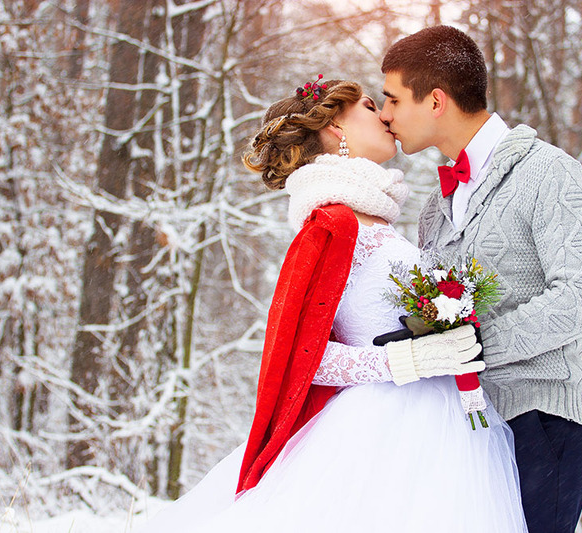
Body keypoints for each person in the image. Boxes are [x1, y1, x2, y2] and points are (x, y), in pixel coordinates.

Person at [133, 78, 528, 532]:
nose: (385, 115)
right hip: (380, 433)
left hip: (445, 426)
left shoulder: (374, 217)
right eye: (369, 105)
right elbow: (303, 358)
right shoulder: (332, 225)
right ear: (334, 127)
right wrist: (405, 358)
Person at [379, 26, 582, 533]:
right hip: (460, 428)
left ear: (435, 100)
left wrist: (476, 345)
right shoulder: (435, 210)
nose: (385, 115)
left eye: (392, 99)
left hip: (541, 419)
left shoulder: (549, 173)